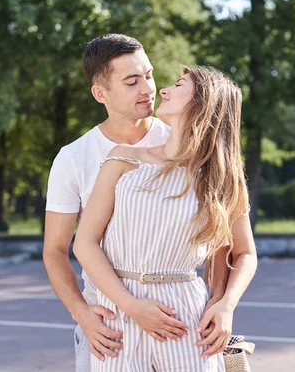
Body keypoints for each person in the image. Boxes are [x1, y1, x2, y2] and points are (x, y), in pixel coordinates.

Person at [43, 34, 229, 371]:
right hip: (107, 327)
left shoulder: (182, 137)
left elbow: (219, 238)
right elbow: (56, 250)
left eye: (148, 75)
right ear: (101, 93)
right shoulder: (73, 158)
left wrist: (220, 303)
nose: (148, 88)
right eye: (131, 81)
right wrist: (82, 314)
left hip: (180, 318)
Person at [73, 66, 258, 371]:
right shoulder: (124, 159)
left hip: (186, 318)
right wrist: (131, 306)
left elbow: (245, 253)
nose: (163, 90)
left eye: (178, 84)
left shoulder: (222, 178)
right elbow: (84, 243)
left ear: (203, 102)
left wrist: (227, 305)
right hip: (120, 312)